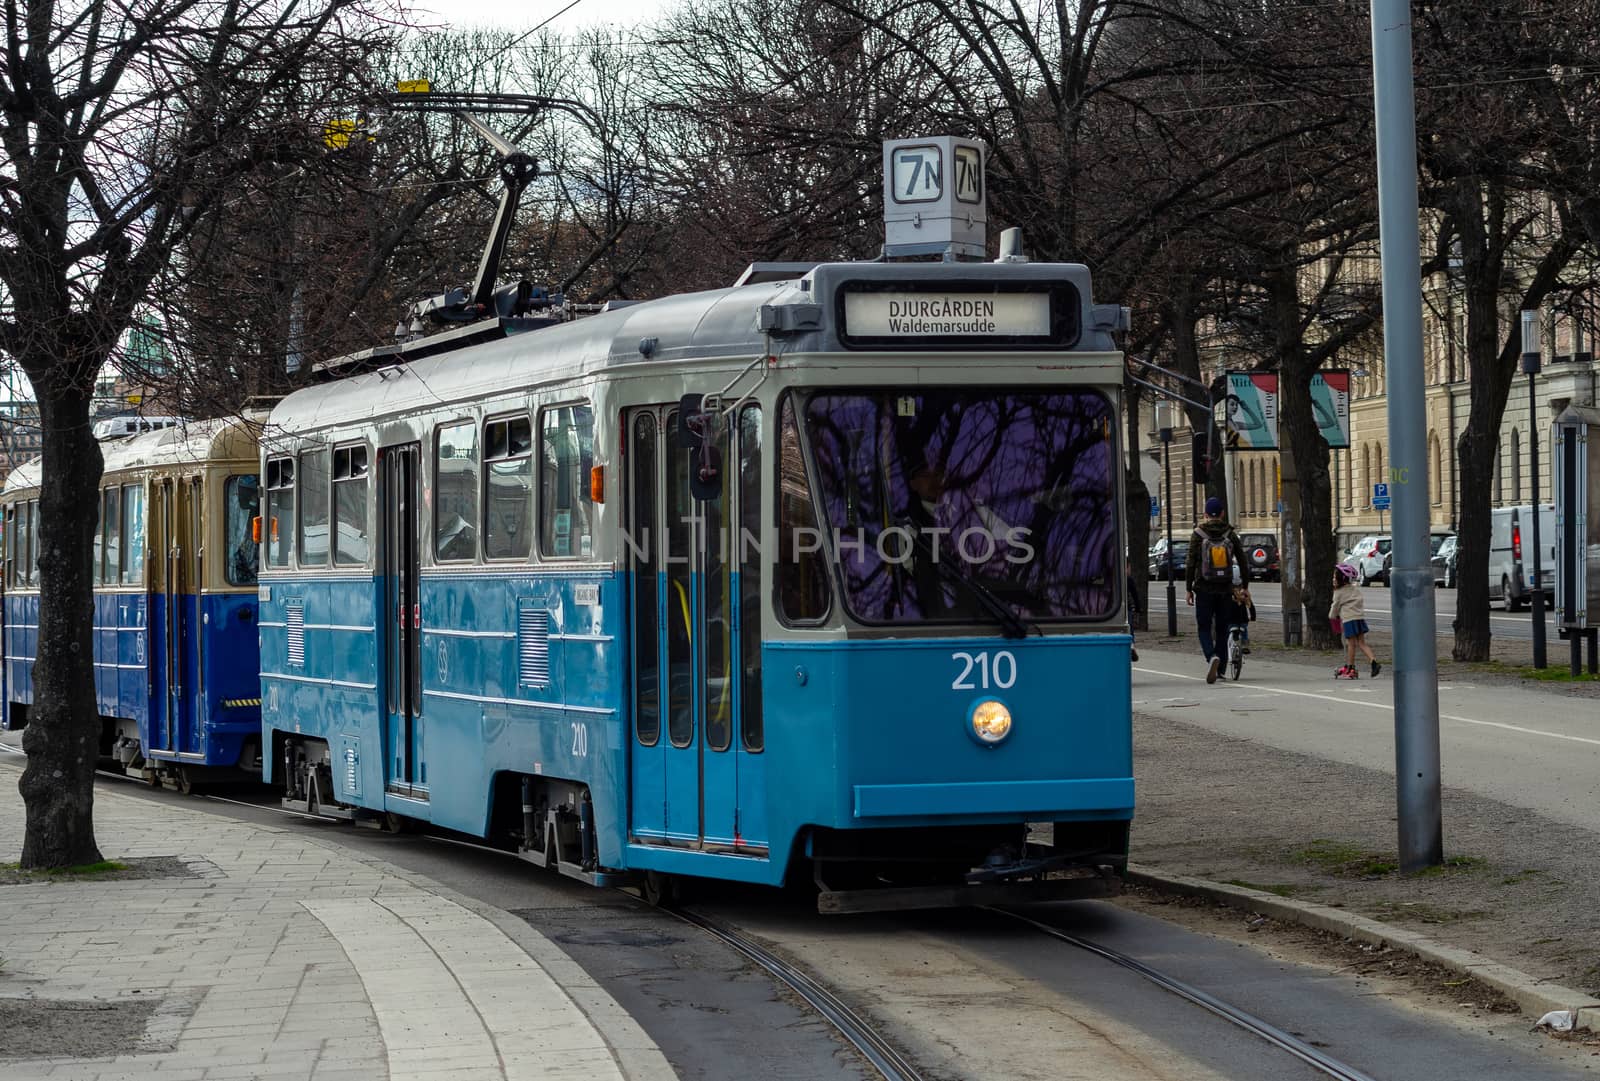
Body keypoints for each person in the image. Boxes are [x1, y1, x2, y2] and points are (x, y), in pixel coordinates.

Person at [1186, 496, 1248, 684]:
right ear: (1222, 514)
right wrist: (1245, 586)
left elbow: (1191, 562)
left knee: (1204, 626)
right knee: (1222, 628)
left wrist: (1188, 588)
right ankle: (1220, 669)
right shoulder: (1229, 533)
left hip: (1203, 588)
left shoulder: (1198, 534)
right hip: (1225, 588)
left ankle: (1211, 656)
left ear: (1205, 514)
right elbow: (1243, 561)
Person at [1330, 562, 1381, 679]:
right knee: (1362, 643)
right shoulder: (1354, 590)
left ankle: (1350, 668)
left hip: (1349, 620)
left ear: (1341, 579)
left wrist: (1333, 620)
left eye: (1334, 577)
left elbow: (1334, 609)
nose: (1333, 579)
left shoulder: (1338, 593)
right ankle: (1374, 662)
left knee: (1351, 645)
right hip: (1359, 619)